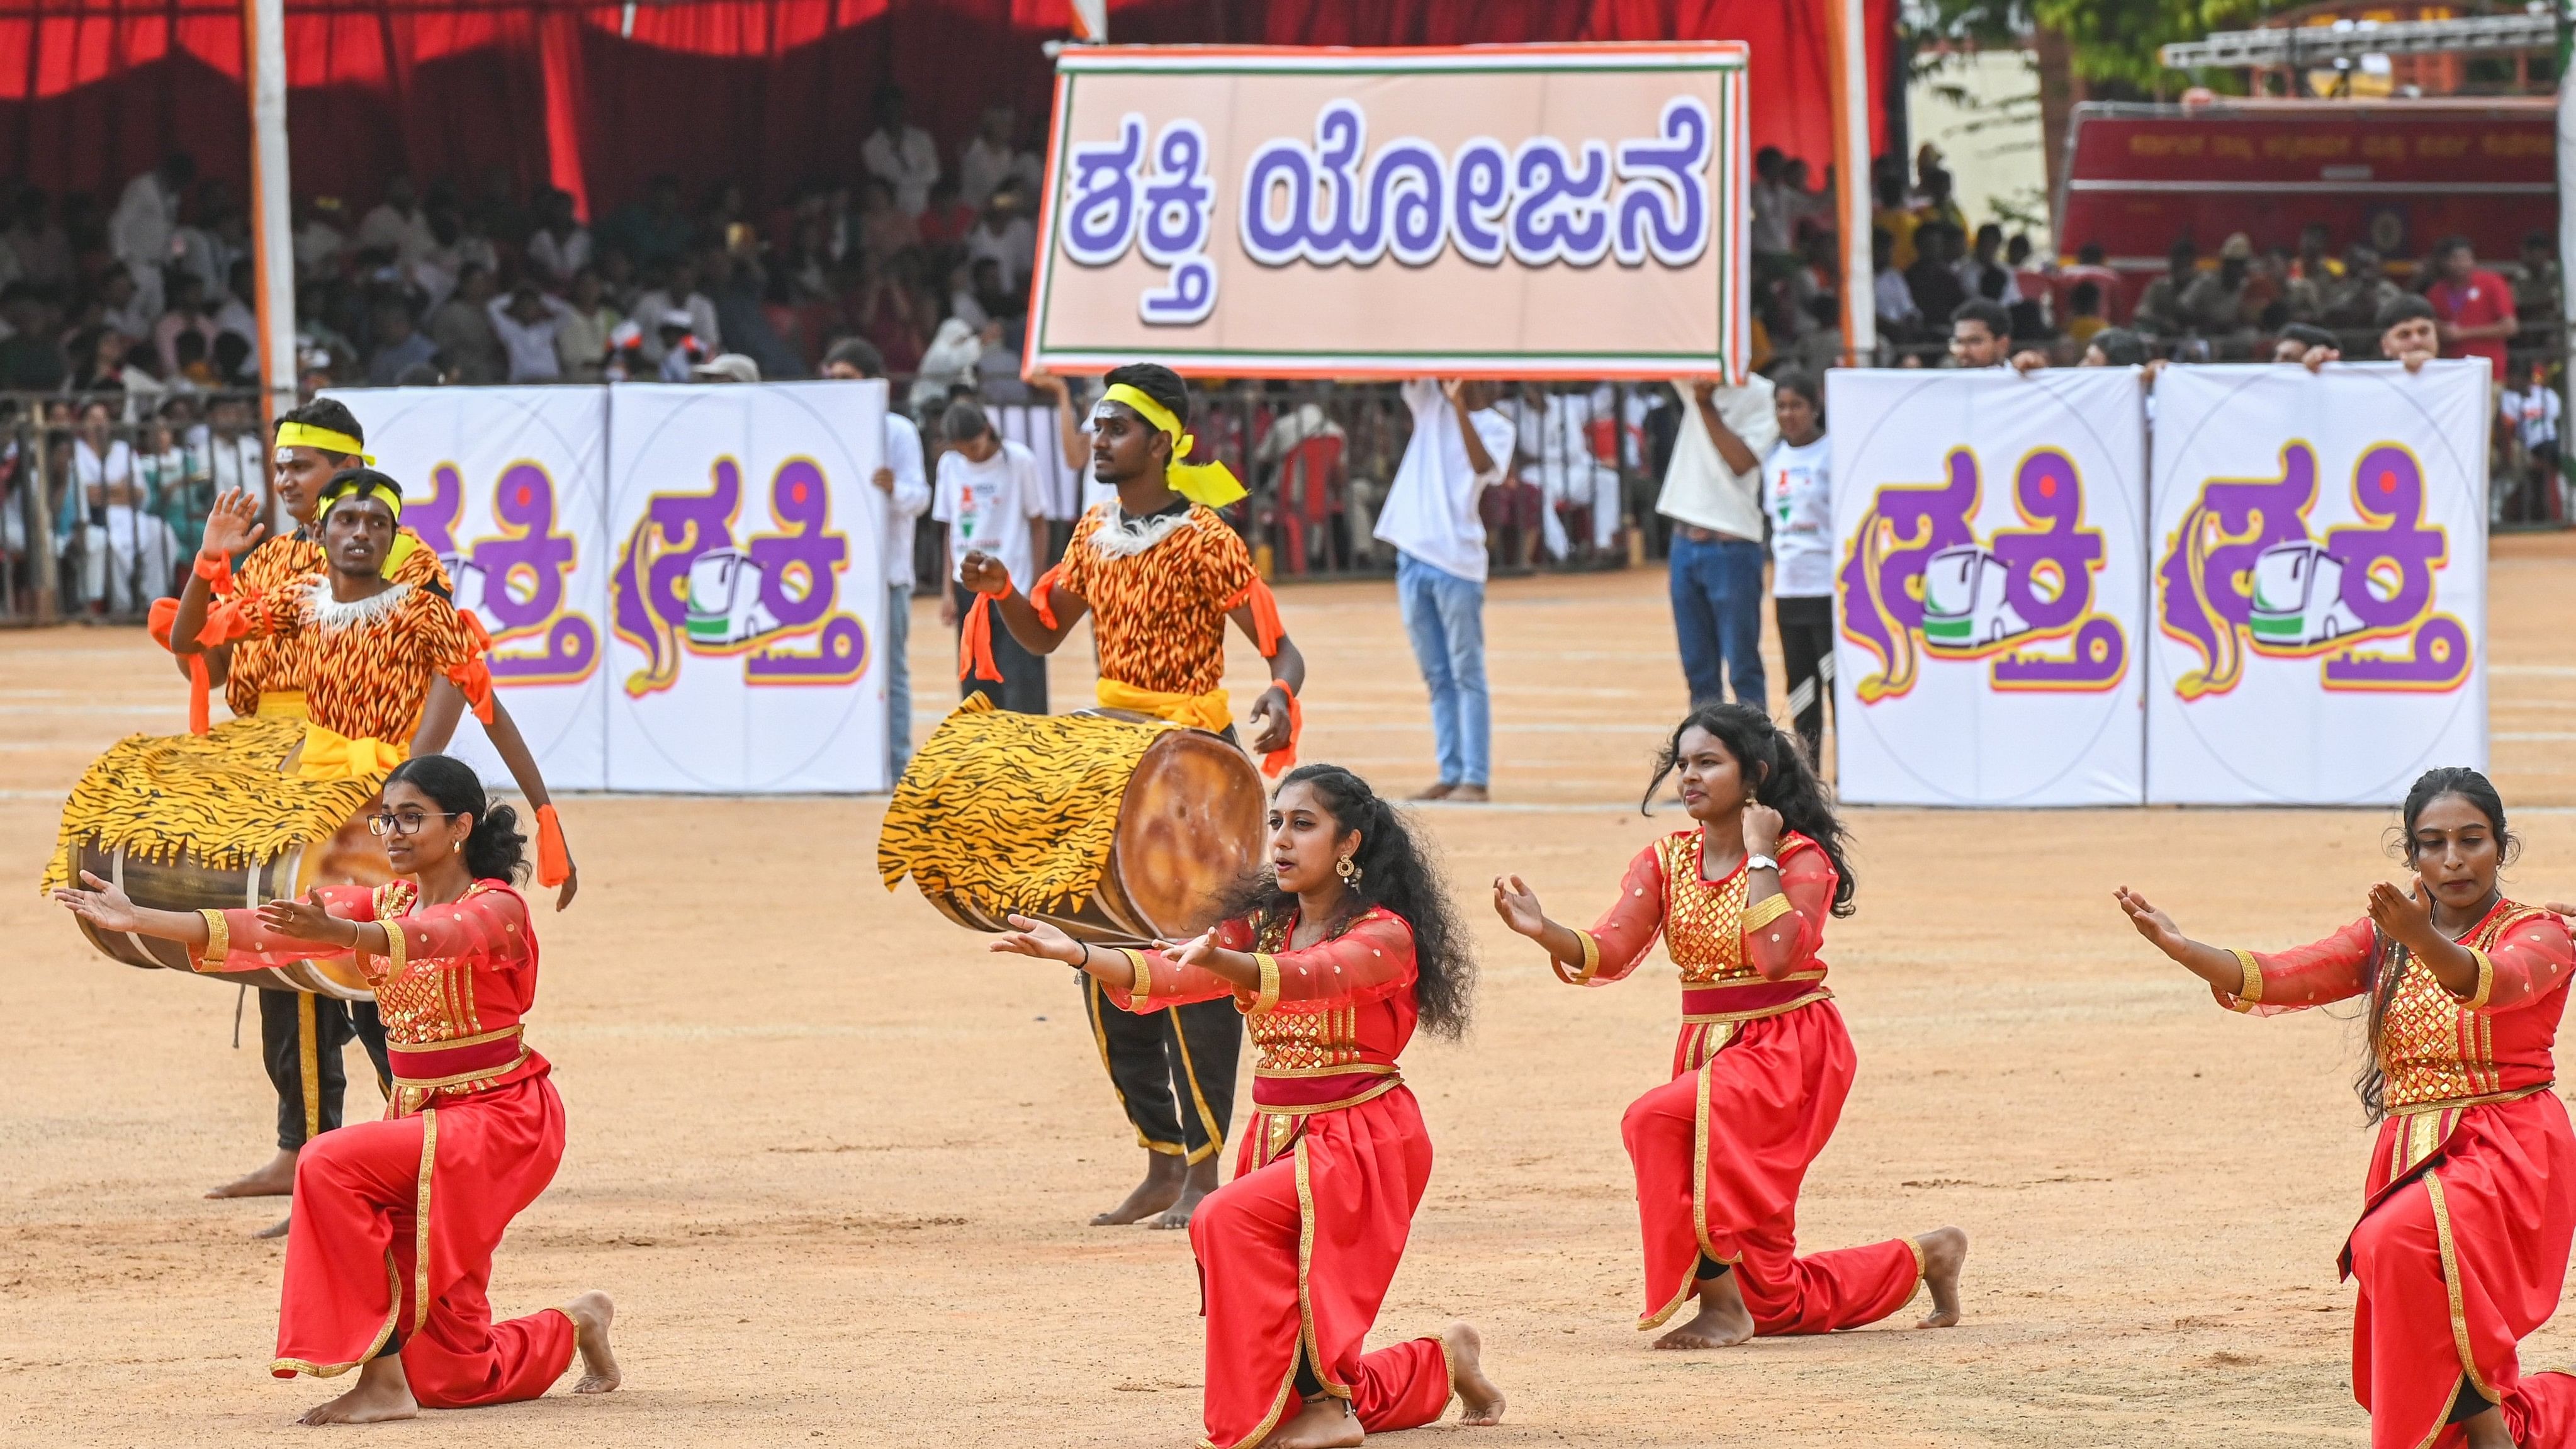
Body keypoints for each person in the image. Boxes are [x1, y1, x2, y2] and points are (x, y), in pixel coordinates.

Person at [53, 754, 620, 1424]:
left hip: (499, 1122)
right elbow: (263, 927)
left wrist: (345, 934)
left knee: (329, 1162)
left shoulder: (498, 909)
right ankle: (577, 1320)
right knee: (450, 1373)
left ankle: (380, 1383)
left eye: (412, 817)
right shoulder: (386, 901)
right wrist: (140, 916)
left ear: (460, 825)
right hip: (425, 1120)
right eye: (387, 817)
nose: (392, 831)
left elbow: (439, 937)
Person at [988, 763, 1505, 1448]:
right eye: (1276, 823)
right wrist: (1079, 952)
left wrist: (1221, 964)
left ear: (1348, 842)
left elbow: (1309, 976)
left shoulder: (1385, 935)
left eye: (1303, 824)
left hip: (1362, 1135)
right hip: (1278, 1134)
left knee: (1223, 1216)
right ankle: (1440, 1363)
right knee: (1273, 1393)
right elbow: (1169, 972)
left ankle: (1329, 1407)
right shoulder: (1262, 925)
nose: (1282, 840)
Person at [2115, 768, 2576, 1449]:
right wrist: (2186, 950)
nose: (2452, 858)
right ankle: (2495, 1432)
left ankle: (2489, 1439)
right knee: (2396, 1261)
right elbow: (2285, 974)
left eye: (2471, 840)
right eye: (2432, 843)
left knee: (2389, 1241)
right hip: (2411, 1147)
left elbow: (2495, 983)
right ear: (2411, 855)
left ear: (2501, 848)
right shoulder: (2384, 935)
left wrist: (2419, 936)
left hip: (2507, 1145)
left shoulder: (2540, 933)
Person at [1492, 705, 1969, 1349]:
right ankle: (1925, 1256)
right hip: (1708, 1051)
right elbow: (1610, 947)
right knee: (1771, 1294)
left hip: (1789, 1048)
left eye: (1707, 761)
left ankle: (1719, 1306)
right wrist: (1542, 928)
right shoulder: (1664, 859)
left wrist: (1759, 853)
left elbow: (1775, 955)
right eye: (1682, 763)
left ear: (1755, 776)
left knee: (1653, 1119)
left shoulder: (1801, 859)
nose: (1687, 776)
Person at [959, 363, 1306, 1226]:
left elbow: (1281, 648)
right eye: (1097, 426)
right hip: (1113, 758)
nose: (1096, 438)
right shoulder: (1091, 533)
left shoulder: (1206, 538)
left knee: (1193, 961)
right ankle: (1160, 1158)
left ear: (1163, 441)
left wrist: (1277, 694)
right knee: (1099, 959)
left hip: (1196, 766)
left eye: (1114, 428)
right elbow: (1043, 633)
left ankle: (1204, 1166)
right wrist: (1002, 592)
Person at [1372, 379, 1515, 803]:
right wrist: (1447, 398)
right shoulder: (1428, 403)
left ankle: (1474, 777)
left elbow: (1480, 466)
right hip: (1413, 557)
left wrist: (1457, 406)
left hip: (1457, 564)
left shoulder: (1496, 426)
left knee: (1465, 673)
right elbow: (1412, 367)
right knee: (1437, 675)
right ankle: (1450, 771)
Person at [821, 339, 930, 775]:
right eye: (833, 379)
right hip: (832, 573)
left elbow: (920, 498)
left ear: (873, 383)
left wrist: (892, 490)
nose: (838, 387)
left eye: (848, 379)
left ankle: (897, 761)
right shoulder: (822, 426)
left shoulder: (897, 431)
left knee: (892, 671)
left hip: (886, 572)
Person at [1657, 373, 1775, 713]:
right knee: (1698, 668)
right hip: (1686, 541)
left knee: (1743, 667)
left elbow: (1741, 461)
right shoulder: (1696, 380)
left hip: (1732, 546)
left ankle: (1755, 758)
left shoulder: (1762, 392)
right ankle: (1706, 755)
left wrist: (1705, 405)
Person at [933, 400, 1049, 714]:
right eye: (961, 450)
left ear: (987, 431)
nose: (970, 455)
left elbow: (1039, 525)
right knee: (976, 681)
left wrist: (1037, 584)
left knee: (1023, 680)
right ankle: (983, 756)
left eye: (973, 445)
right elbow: (951, 531)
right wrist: (948, 591)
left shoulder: (1019, 461)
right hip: (969, 586)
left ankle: (1028, 753)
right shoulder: (949, 466)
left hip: (1015, 585)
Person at [1763, 371, 1833, 767]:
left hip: (1827, 587)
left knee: (1837, 683)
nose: (1788, 414)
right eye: (1781, 406)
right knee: (1801, 688)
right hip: (1789, 588)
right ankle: (1810, 774)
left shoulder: (1832, 453)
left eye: (1797, 405)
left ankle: (1852, 773)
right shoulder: (1775, 458)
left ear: (1815, 407)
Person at [2424, 236, 2519, 386]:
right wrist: (2440, 328)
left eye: (2466, 258)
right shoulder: (2436, 292)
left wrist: (2462, 333)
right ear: (2444, 262)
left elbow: (2510, 326)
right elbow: (2427, 323)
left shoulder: (2492, 283)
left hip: (2489, 372)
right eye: (2455, 259)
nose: (2461, 264)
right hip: (2452, 374)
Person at [862, 84, 941, 218]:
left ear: (903, 108)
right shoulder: (871, 146)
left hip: (923, 210)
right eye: (887, 109)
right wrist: (918, 175)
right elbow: (886, 184)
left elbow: (933, 175)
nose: (892, 115)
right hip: (892, 216)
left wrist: (906, 154)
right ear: (879, 112)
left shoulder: (921, 138)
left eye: (895, 108)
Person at [2380, 293, 2443, 375]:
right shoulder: (2368, 384)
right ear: (2386, 346)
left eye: (2423, 332)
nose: (2417, 341)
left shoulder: (2462, 380)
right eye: (2404, 335)